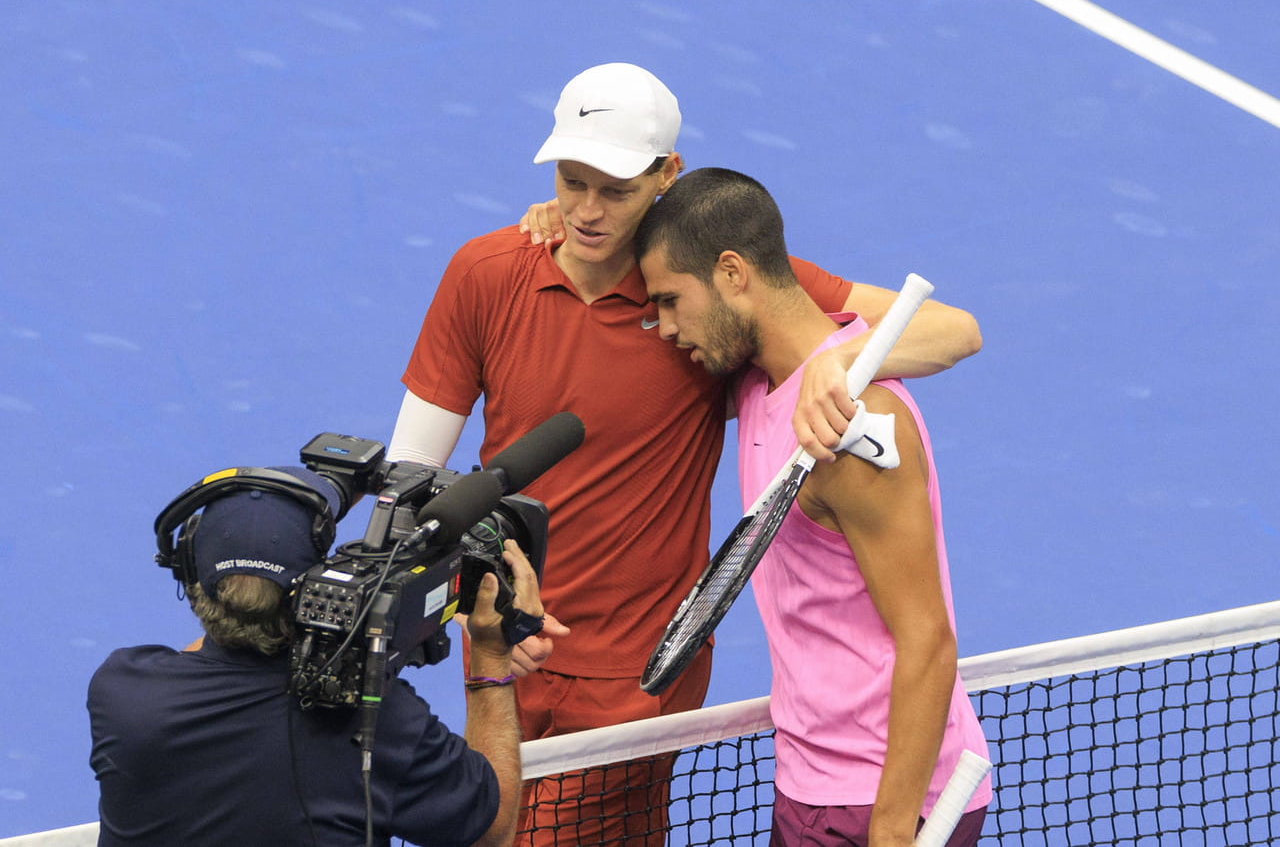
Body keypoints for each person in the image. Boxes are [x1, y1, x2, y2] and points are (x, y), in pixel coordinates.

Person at [388, 63, 982, 845]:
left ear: (667, 177)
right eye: (572, 182)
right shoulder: (486, 273)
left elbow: (953, 329)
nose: (587, 213)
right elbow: (407, 486)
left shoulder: (705, 289)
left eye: (616, 190)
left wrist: (837, 361)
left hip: (634, 682)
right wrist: (473, 599)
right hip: (502, 650)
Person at [634, 166, 991, 847]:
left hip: (880, 800)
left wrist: (890, 827)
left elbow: (928, 640)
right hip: (811, 783)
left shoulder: (856, 429)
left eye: (672, 301)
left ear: (733, 273)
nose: (665, 327)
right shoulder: (756, 379)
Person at [87, 466, 541, 847]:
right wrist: (490, 657)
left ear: (189, 575)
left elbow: (213, 655)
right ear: (314, 588)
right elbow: (493, 826)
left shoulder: (122, 691)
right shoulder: (378, 719)